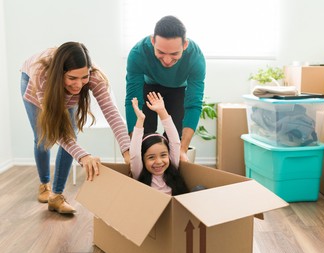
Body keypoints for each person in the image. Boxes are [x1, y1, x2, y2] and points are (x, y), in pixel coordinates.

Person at [21, 42, 131, 214]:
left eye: (84, 77)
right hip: (34, 81)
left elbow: (112, 114)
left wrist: (127, 150)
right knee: (43, 137)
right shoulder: (42, 76)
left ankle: (56, 196)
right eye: (72, 78)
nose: (79, 85)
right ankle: (44, 184)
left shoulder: (93, 76)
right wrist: (84, 156)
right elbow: (55, 130)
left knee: (71, 135)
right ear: (60, 74)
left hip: (60, 87)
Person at [125, 15, 206, 162]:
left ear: (185, 45)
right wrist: (134, 149)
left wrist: (182, 151)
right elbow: (133, 101)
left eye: (174, 54)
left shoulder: (195, 57)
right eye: (161, 52)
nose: (167, 60)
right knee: (146, 138)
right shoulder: (138, 53)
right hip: (149, 86)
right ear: (152, 41)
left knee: (174, 138)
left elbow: (194, 103)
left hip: (178, 89)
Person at [130, 91, 187, 195]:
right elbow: (134, 154)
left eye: (163, 155)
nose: (159, 161)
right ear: (143, 158)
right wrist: (140, 120)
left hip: (174, 209)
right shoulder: (139, 172)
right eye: (151, 157)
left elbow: (175, 142)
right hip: (152, 210)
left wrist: (162, 111)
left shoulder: (172, 166)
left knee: (200, 188)